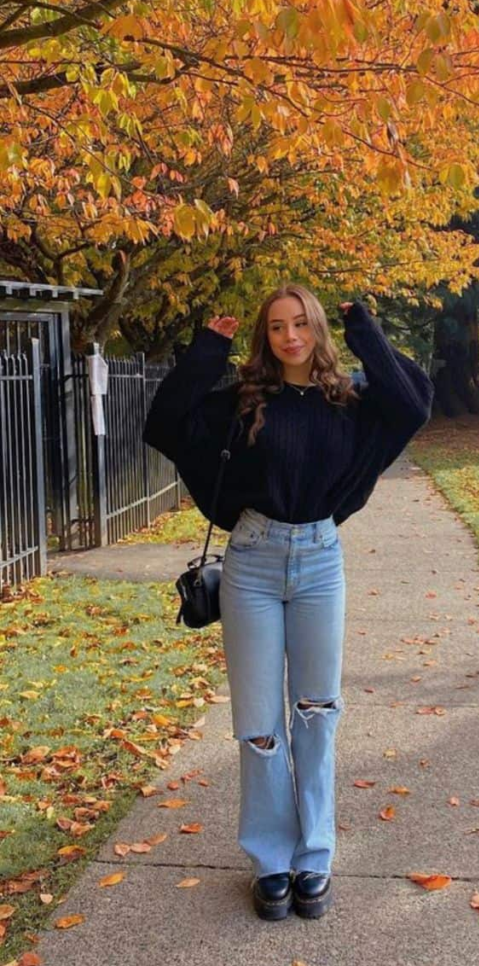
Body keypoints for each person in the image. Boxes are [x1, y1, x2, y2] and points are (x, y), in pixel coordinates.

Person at [143, 283, 434, 922]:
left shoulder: (349, 401)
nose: (290, 336)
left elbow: (413, 405)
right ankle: (271, 859)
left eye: (301, 323)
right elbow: (164, 423)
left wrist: (367, 333)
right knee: (258, 725)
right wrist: (207, 350)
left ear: (318, 328)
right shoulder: (244, 400)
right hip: (251, 562)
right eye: (277, 326)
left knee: (318, 711)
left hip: (320, 563)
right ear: (264, 336)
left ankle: (315, 857)